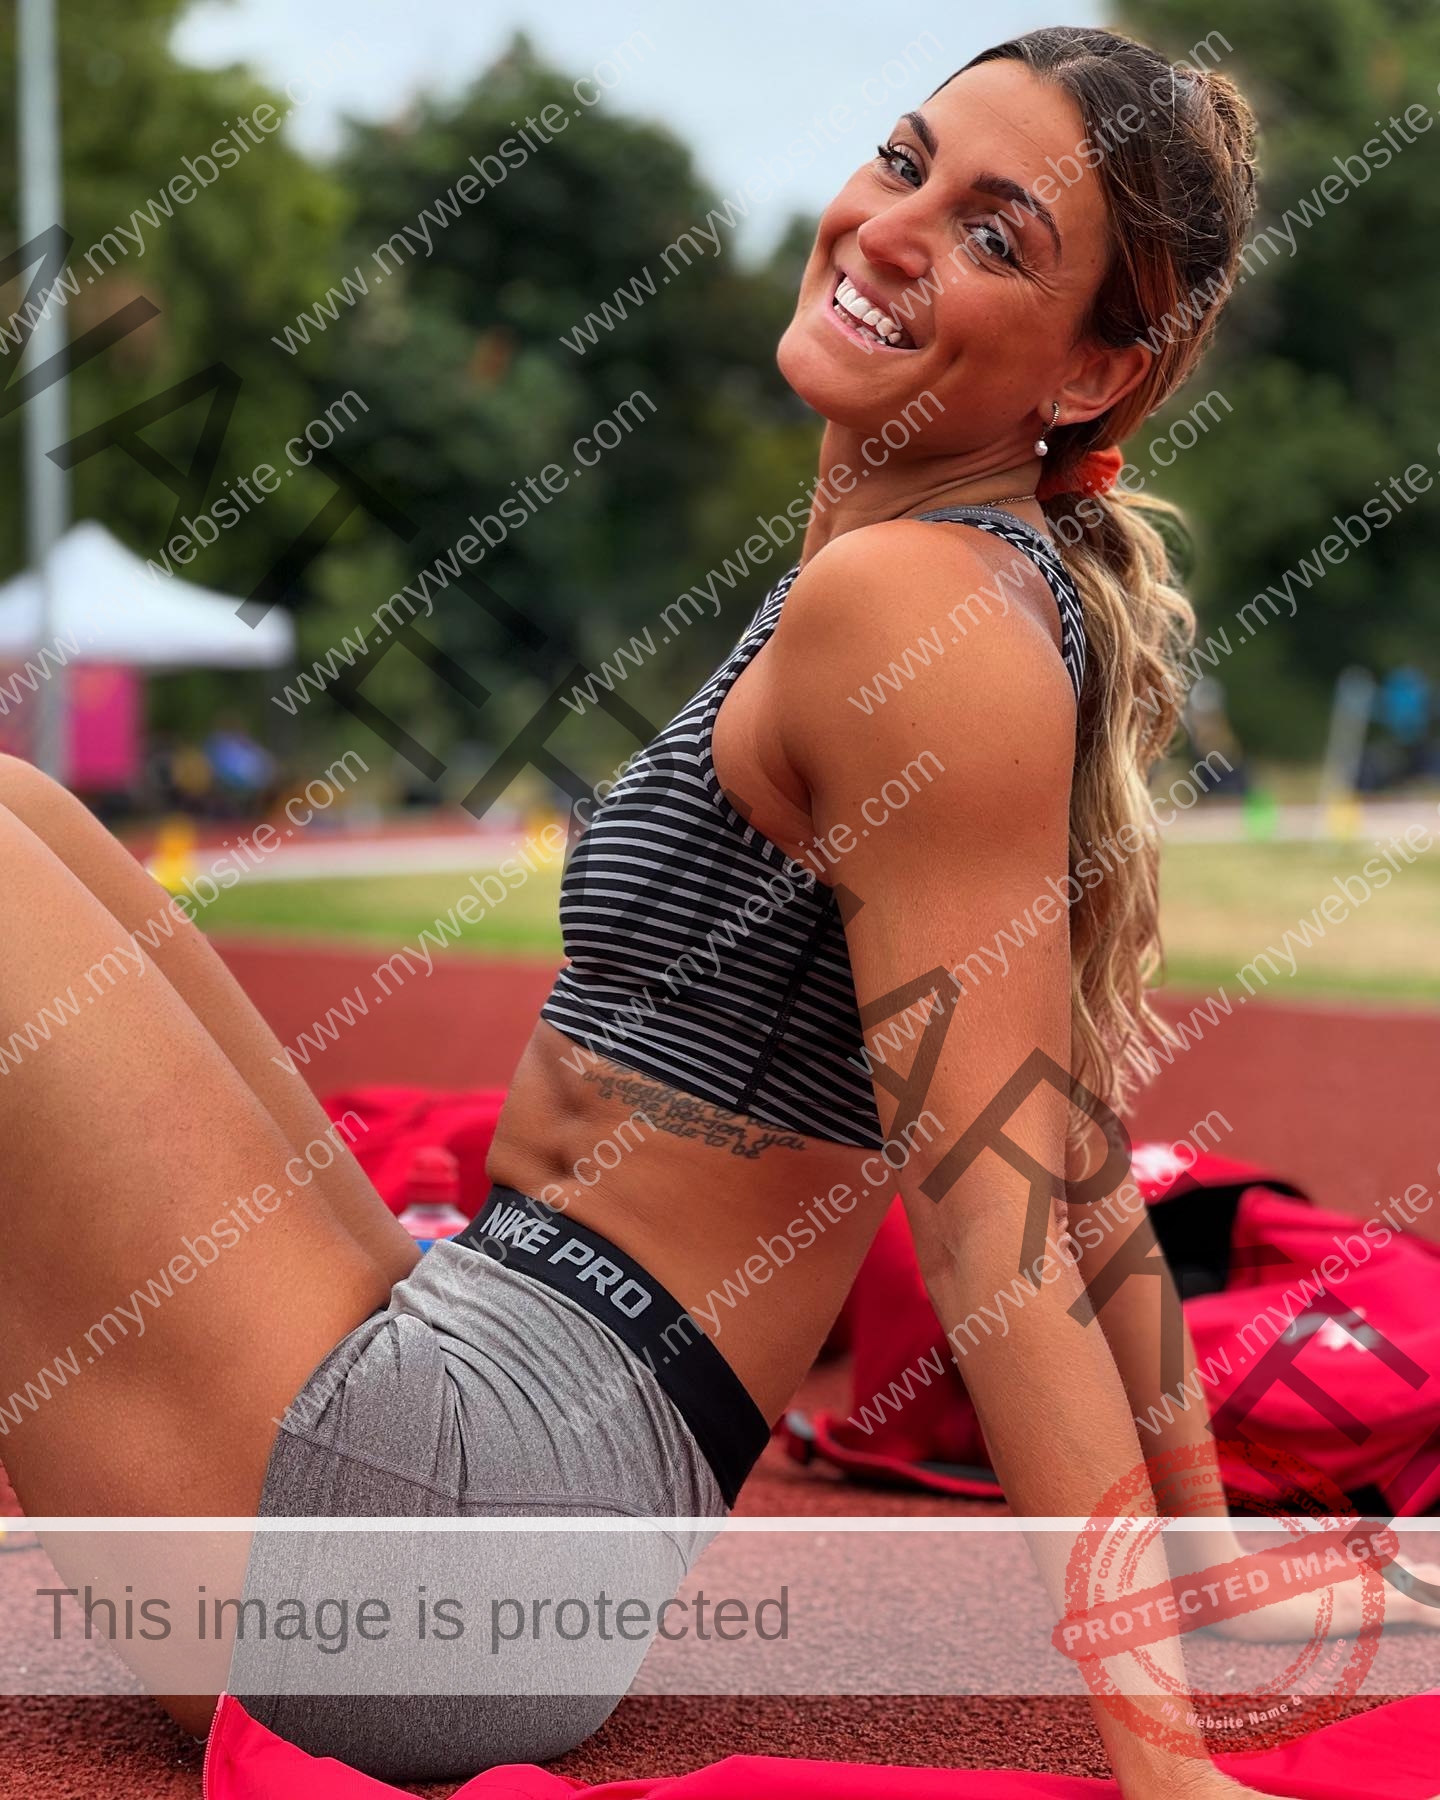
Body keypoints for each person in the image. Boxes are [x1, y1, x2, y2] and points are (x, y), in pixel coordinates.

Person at [1, 23, 1435, 1796]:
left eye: (999, 236)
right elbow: (1077, 1161)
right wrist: (1207, 1575)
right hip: (471, 1445)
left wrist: (1164, 1765)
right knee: (23, 810)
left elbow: (1002, 1224)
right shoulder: (934, 585)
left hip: (443, 1536)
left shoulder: (920, 615)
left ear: (1093, 379)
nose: (894, 229)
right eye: (907, 164)